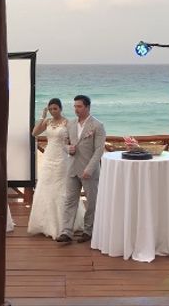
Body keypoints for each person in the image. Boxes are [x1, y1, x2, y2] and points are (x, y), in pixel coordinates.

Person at [27, 98, 85, 239]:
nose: (53, 111)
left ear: (60, 108)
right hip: (48, 157)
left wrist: (71, 148)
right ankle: (46, 223)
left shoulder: (68, 122)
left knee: (62, 189)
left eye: (55, 109)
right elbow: (34, 133)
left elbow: (74, 140)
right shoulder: (47, 122)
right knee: (45, 187)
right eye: (51, 109)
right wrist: (42, 116)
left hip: (62, 158)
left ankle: (64, 225)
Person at [57, 95, 106, 243]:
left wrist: (89, 169)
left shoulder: (97, 125)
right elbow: (63, 142)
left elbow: (99, 150)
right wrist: (68, 148)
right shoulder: (70, 124)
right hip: (72, 168)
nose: (76, 109)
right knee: (70, 200)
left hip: (89, 171)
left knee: (91, 202)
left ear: (87, 107)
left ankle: (88, 230)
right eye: (74, 106)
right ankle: (66, 232)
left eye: (79, 106)